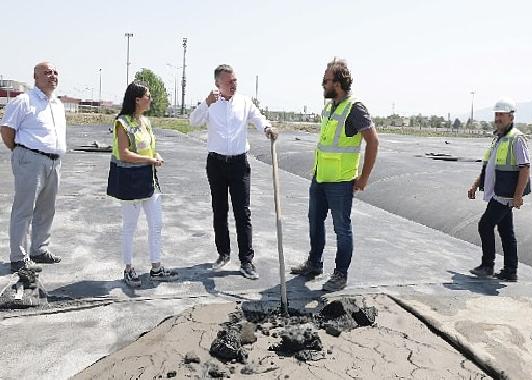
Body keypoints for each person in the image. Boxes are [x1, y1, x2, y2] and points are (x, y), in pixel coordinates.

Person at [290, 58, 379, 292]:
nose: (323, 84)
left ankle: (340, 274)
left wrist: (364, 177)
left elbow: (373, 141)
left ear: (338, 83)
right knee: (314, 222)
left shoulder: (355, 107)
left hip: (340, 181)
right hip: (320, 178)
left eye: (326, 80)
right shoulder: (330, 107)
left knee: (342, 228)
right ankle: (314, 263)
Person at [189, 64, 277, 280]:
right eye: (229, 82)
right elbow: (193, 122)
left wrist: (267, 128)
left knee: (243, 212)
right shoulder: (210, 104)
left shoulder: (244, 102)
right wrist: (205, 103)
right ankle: (223, 253)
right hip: (216, 164)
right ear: (218, 83)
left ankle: (246, 261)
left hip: (239, 165)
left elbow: (259, 118)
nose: (233, 85)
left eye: (235, 80)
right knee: (219, 210)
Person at [107, 82, 178, 287]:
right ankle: (128, 269)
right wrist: (149, 160)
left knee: (156, 224)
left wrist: (156, 155)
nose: (151, 99)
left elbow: (149, 148)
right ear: (137, 99)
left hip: (149, 180)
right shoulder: (122, 122)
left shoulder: (145, 121)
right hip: (131, 182)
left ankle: (156, 268)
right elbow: (124, 153)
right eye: (148, 96)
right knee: (130, 227)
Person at [1, 62, 66, 273]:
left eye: (55, 72)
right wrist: (20, 152)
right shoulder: (24, 101)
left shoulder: (57, 104)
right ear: (35, 77)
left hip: (53, 162)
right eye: (47, 73)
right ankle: (18, 257)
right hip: (30, 159)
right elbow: (7, 130)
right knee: (24, 208)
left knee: (47, 209)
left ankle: (39, 249)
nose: (52, 76)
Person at [467, 98, 531, 282]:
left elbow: (525, 167)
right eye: (496, 114)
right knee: (506, 231)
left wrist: (518, 195)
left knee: (485, 225)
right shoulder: (499, 138)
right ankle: (510, 271)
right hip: (497, 191)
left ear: (511, 117)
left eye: (501, 115)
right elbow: (489, 166)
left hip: (505, 194)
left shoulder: (516, 138)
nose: (498, 118)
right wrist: (475, 185)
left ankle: (488, 265)